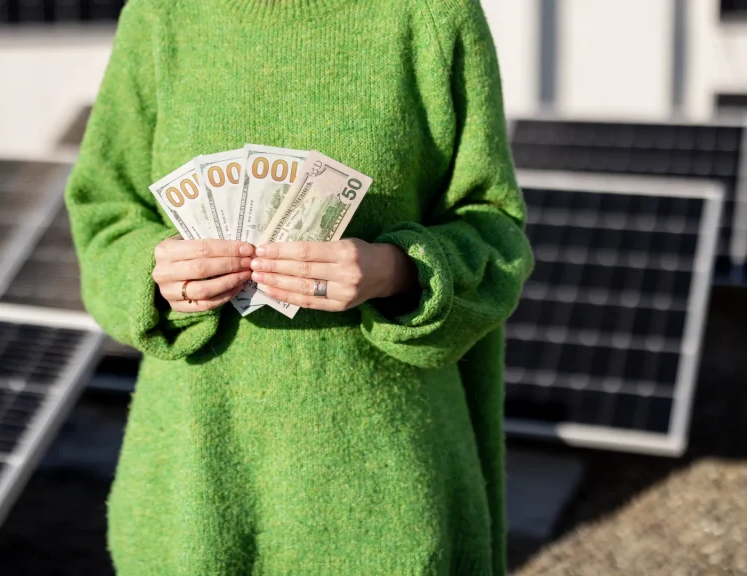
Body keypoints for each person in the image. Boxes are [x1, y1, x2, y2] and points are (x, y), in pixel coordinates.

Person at [64, 0, 535, 572]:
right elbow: (103, 214)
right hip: (198, 482)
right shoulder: (161, 14)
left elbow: (495, 231)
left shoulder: (434, 14)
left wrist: (398, 270)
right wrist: (153, 271)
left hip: (389, 493)